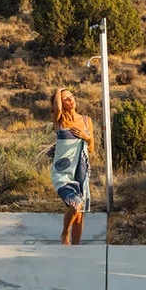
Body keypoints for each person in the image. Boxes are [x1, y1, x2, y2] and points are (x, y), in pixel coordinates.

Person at [50, 87, 93, 245]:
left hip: (81, 171)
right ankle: (64, 233)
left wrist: (85, 137)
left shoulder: (87, 121)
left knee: (79, 213)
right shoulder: (59, 120)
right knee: (76, 205)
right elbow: (57, 108)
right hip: (62, 173)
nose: (71, 100)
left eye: (71, 96)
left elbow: (92, 147)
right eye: (66, 99)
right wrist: (58, 90)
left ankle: (76, 249)